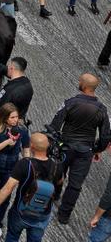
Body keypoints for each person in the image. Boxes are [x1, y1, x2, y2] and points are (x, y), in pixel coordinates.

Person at [47, 73, 110, 224]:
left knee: (56, 174)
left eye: (80, 81)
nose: (78, 82)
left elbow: (55, 125)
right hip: (85, 151)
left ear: (85, 86)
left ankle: (53, 196)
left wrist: (53, 143)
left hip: (65, 147)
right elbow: (105, 136)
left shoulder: (70, 103)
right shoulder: (102, 110)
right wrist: (96, 149)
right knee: (75, 185)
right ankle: (64, 215)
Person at [0, 132, 60, 242]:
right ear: (48, 146)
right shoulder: (57, 167)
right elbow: (57, 192)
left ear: (31, 146)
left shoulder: (25, 164)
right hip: (43, 213)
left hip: (20, 211)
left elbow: (8, 188)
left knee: (12, 237)